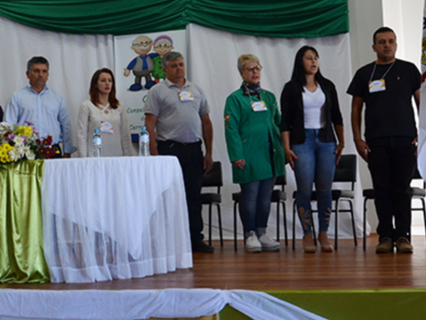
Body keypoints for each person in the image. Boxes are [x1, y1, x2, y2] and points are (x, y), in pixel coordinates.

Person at [347, 27, 421, 254]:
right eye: (382, 42)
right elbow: (356, 109)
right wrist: (357, 139)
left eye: (390, 41)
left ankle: (404, 236)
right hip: (376, 141)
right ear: (374, 47)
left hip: (406, 139)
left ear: (396, 45)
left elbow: (422, 103)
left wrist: (423, 132)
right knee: (382, 189)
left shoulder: (408, 70)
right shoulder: (364, 73)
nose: (386, 45)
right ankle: (386, 237)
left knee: (402, 189)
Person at [144, 51, 214, 253]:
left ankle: (195, 240)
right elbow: (149, 124)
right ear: (165, 70)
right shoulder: (157, 91)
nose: (179, 69)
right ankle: (170, 241)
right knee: (169, 198)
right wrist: (154, 153)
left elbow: (206, 122)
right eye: (174, 66)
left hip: (193, 149)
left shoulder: (197, 90)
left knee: (193, 196)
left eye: (181, 64)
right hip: (169, 150)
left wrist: (208, 153)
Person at [280, 45, 346, 253]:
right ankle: (307, 233)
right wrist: (286, 148)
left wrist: (341, 142)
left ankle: (324, 232)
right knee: (305, 189)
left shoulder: (327, 85)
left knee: (325, 189)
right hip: (302, 141)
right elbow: (285, 122)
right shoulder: (291, 88)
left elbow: (337, 115)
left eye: (316, 58)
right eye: (309, 58)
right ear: (301, 62)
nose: (314, 62)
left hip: (326, 141)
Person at [224, 54, 284, 253]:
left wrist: (285, 148)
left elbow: (278, 123)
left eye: (258, 67)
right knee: (250, 195)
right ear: (242, 73)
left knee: (265, 196)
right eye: (250, 69)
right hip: (248, 154)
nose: (255, 71)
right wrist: (236, 155)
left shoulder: (269, 97)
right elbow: (230, 128)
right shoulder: (235, 99)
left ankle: (262, 232)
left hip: (269, 154)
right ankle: (250, 234)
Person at [4, 57, 75, 157]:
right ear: (28, 74)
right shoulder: (16, 97)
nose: (40, 75)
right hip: (25, 152)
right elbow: (9, 126)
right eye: (36, 71)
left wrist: (67, 151)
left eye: (44, 71)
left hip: (52, 151)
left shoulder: (58, 98)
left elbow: (66, 126)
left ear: (48, 75)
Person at [75, 68, 136, 158]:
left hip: (117, 157)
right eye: (103, 80)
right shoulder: (87, 106)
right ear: (95, 84)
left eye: (110, 81)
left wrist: (128, 157)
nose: (107, 83)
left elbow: (125, 135)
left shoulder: (120, 106)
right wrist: (84, 159)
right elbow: (81, 136)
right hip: (94, 158)